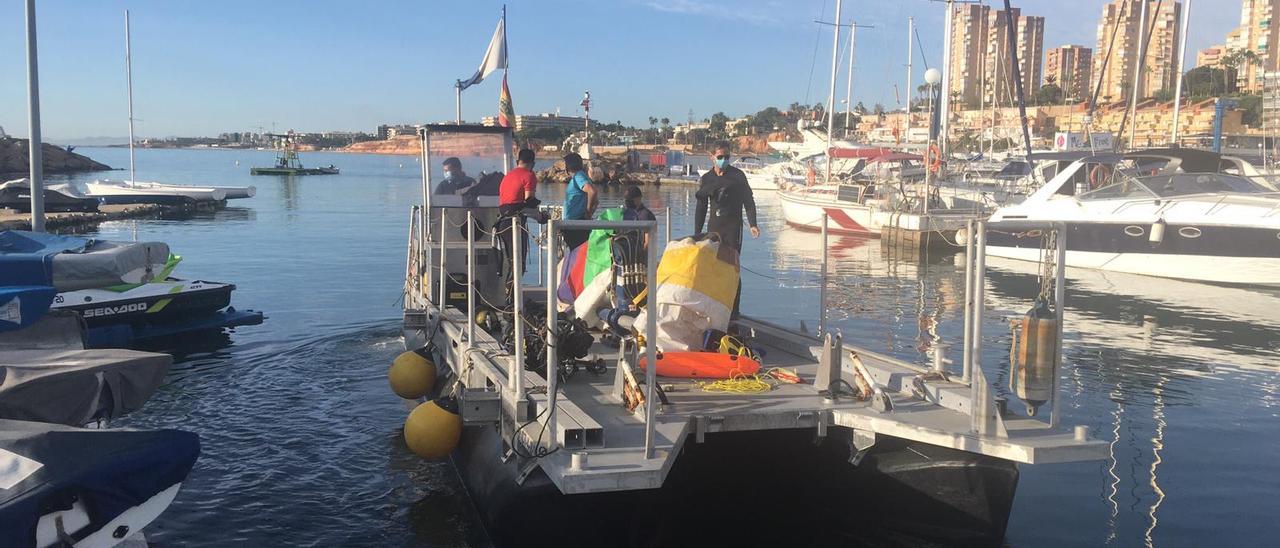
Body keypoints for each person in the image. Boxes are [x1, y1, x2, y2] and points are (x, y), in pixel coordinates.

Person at [694, 141, 759, 319]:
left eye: (727, 157)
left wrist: (753, 224)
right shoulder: (707, 178)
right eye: (720, 157)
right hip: (714, 227)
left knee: (732, 268)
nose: (724, 160)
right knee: (713, 268)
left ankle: (733, 310)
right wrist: (697, 233)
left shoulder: (737, 176)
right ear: (712, 157)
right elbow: (701, 207)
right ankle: (715, 305)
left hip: (733, 228)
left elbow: (749, 201)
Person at [496, 149, 540, 287]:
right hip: (515, 224)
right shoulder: (529, 175)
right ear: (533, 164)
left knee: (512, 263)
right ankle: (512, 303)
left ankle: (511, 299)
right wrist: (541, 217)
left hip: (502, 223)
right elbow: (528, 201)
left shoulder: (508, 176)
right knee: (518, 265)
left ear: (518, 161)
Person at [561, 152, 597, 250]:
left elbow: (592, 191)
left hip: (575, 225)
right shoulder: (581, 176)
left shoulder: (578, 177)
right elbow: (596, 201)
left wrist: (588, 211)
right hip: (576, 223)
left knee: (577, 253)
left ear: (568, 166)